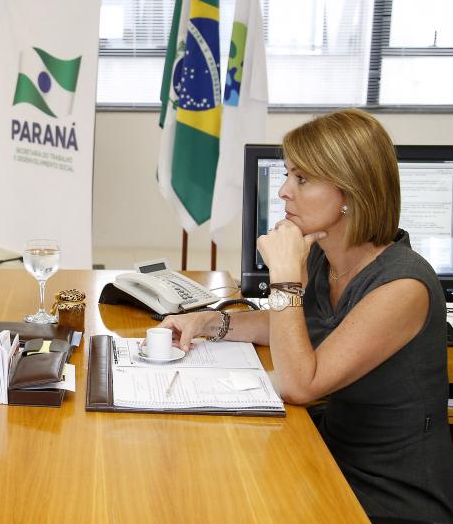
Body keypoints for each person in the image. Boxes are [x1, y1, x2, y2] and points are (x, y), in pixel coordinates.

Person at [157, 109, 453, 522]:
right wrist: (209, 322)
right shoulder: (324, 254)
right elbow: (292, 324)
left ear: (350, 192)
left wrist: (284, 280)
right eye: (287, 175)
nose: (283, 192)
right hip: (328, 452)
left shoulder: (404, 287)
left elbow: (300, 384)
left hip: (386, 494)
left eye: (302, 179)